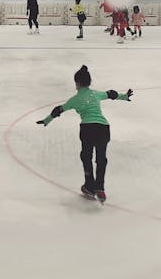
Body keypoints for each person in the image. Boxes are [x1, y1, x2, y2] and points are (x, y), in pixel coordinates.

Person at [35, 64, 133, 203]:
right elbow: (111, 93)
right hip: (103, 128)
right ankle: (100, 188)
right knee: (101, 159)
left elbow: (58, 110)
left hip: (87, 129)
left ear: (77, 83)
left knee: (86, 157)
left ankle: (89, 186)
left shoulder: (75, 99)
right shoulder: (95, 94)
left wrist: (47, 120)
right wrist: (125, 96)